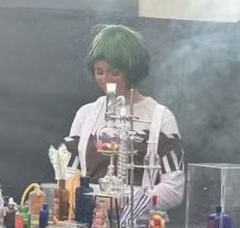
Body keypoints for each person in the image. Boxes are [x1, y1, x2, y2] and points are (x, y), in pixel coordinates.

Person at [63, 24, 184, 211]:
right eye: (99, 71)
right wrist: (89, 199)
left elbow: (174, 190)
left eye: (114, 73)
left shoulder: (161, 118)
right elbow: (69, 175)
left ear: (132, 71)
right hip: (91, 225)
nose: (105, 80)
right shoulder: (86, 114)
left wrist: (122, 201)